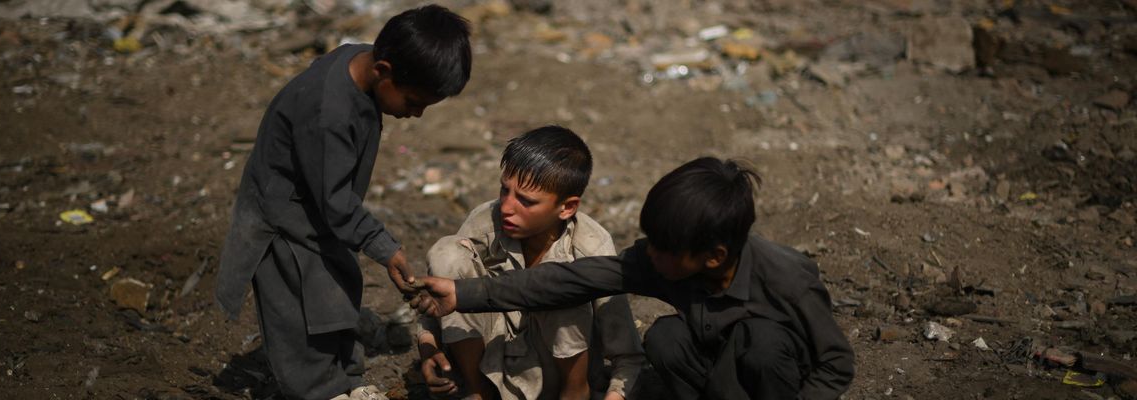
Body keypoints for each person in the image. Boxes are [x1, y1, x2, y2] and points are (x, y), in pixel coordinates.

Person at [413, 157, 856, 400]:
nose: (650, 254)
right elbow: (567, 281)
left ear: (714, 256)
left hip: (769, 376)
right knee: (665, 338)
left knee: (762, 344)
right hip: (712, 365)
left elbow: (835, 363)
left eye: (663, 249)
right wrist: (464, 293)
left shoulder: (787, 278)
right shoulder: (661, 258)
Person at [213, 5, 472, 399]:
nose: (416, 114)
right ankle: (320, 390)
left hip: (321, 208)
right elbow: (334, 201)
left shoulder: (363, 62)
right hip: (284, 217)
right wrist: (386, 249)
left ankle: (347, 377)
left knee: (337, 287)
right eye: (413, 101)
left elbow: (335, 199)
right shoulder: (328, 112)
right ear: (383, 71)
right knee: (299, 311)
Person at [416, 126, 643, 400]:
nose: (507, 207)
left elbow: (628, 356)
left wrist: (615, 396)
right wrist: (429, 347)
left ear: (567, 207)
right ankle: (476, 393)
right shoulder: (484, 221)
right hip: (493, 367)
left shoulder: (592, 246)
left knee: (560, 284)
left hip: (555, 379)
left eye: (526, 200)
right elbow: (442, 298)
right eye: (504, 190)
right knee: (447, 252)